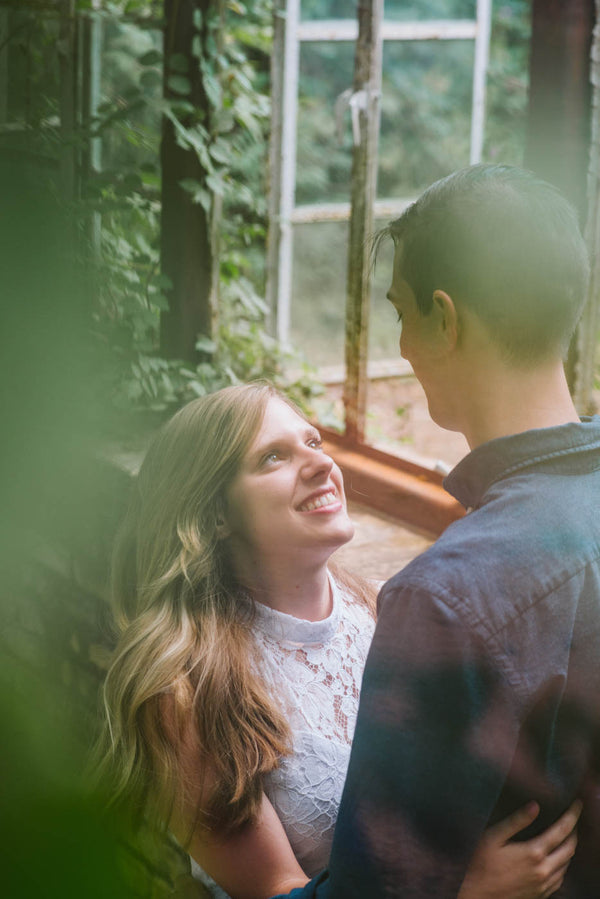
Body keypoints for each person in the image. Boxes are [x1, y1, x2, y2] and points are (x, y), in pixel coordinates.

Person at [95, 381, 578, 899]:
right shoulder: (184, 693)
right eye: (273, 457)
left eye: (315, 443)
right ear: (215, 515)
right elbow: (278, 889)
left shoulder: (391, 608)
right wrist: (464, 893)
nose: (321, 465)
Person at [270, 164, 600, 899]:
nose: (406, 346)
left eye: (401, 313)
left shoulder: (447, 596)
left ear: (445, 320)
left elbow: (372, 890)